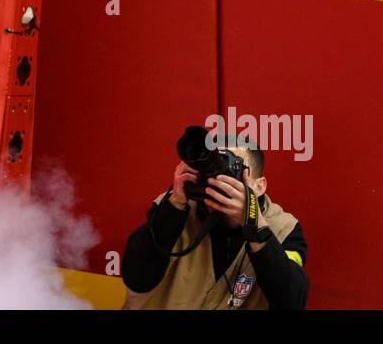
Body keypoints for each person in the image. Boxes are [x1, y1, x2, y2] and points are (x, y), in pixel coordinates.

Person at [122, 132, 307, 310]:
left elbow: (291, 302)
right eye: (211, 170)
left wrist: (254, 224)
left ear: (259, 186)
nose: (218, 179)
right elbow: (137, 280)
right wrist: (173, 206)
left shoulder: (283, 228)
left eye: (230, 167)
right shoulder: (173, 205)